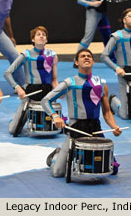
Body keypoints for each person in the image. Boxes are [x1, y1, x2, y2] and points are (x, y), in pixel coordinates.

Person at [41, 49, 122, 177]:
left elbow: (106, 111)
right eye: (82, 56)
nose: (86, 58)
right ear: (76, 62)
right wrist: (55, 116)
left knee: (112, 170)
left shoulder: (101, 84)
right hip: (76, 130)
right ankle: (56, 155)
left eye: (89, 56)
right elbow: (45, 100)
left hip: (95, 130)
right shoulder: (69, 83)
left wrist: (114, 127)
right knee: (58, 172)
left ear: (93, 62)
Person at [4, 26, 58, 135]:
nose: (41, 36)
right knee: (13, 130)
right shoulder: (26, 55)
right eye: (38, 34)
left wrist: (58, 91)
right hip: (30, 92)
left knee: (53, 129)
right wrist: (18, 88)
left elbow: (54, 79)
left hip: (47, 93)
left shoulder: (53, 55)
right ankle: (14, 121)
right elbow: (7, 73)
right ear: (33, 39)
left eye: (44, 35)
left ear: (46, 40)